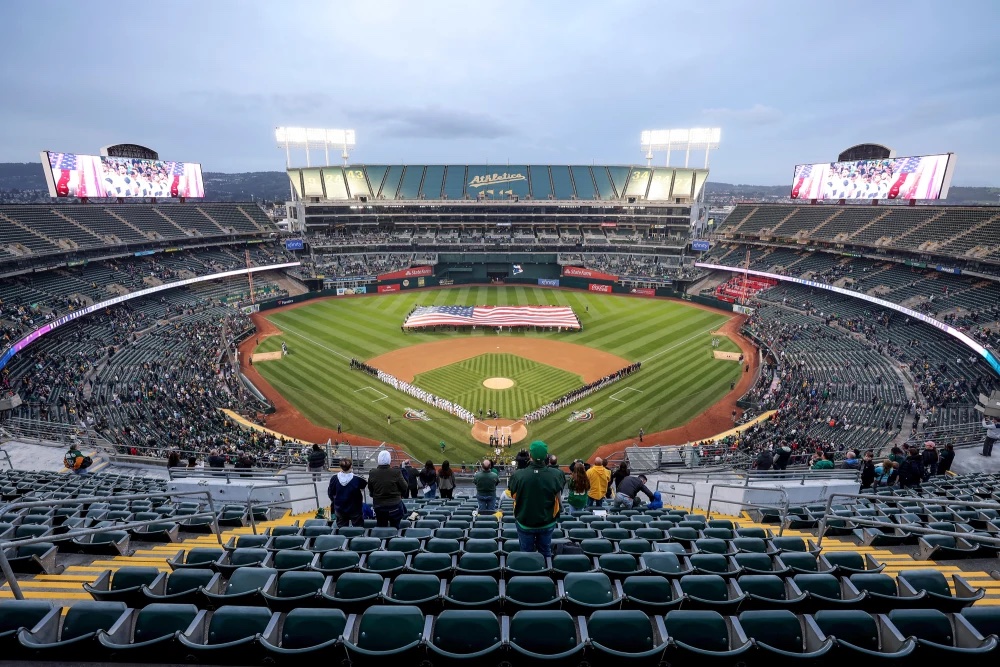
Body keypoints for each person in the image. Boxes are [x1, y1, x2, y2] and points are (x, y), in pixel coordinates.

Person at [507, 441, 565, 557]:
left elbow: (512, 495)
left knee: (526, 554)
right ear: (546, 456)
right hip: (547, 521)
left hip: (525, 522)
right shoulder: (557, 474)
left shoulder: (518, 475)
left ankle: (529, 573)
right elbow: (559, 491)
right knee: (545, 551)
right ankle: (546, 572)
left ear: (530, 456)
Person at [368, 450, 408, 528]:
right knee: (395, 527)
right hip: (395, 506)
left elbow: (371, 490)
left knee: (382, 527)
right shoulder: (396, 472)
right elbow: (405, 487)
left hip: (379, 506)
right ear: (389, 460)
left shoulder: (372, 473)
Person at [327, 457, 367, 527]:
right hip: (355, 509)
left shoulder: (334, 478)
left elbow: (330, 493)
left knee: (342, 531)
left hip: (340, 508)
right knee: (358, 531)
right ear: (351, 466)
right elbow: (364, 485)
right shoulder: (357, 479)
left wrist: (335, 501)